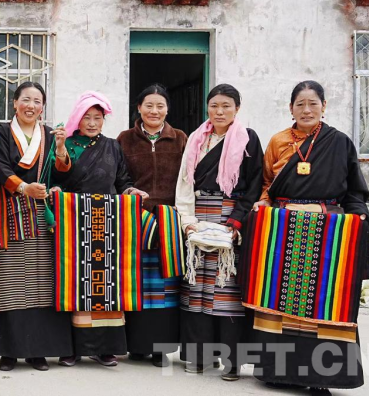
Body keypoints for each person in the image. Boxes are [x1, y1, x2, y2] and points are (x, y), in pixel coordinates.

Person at [250, 81, 369, 396]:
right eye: (300, 104)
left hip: (328, 232)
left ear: (324, 106)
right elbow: (266, 184)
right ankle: (278, 373)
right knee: (278, 302)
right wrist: (262, 203)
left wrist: (359, 218)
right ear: (290, 108)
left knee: (325, 303)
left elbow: (354, 190)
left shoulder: (339, 143)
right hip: (283, 230)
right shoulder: (278, 141)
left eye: (313, 103)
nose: (306, 110)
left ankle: (322, 376)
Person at [0, 82, 73, 371]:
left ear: (43, 106)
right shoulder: (3, 133)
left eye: (37, 101)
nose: (31, 106)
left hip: (42, 215)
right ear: (14, 103)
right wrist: (23, 188)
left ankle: (38, 351)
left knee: (42, 282)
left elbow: (62, 174)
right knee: (10, 282)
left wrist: (61, 149)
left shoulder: (49, 135)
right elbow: (0, 168)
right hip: (10, 212)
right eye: (26, 100)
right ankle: (10, 351)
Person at [174, 83, 263, 381]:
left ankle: (232, 362)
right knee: (196, 290)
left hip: (230, 219)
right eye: (214, 105)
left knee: (227, 291)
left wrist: (236, 223)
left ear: (237, 108)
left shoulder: (248, 139)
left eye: (226, 106)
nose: (220, 111)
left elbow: (254, 185)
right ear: (207, 108)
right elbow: (185, 182)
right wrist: (187, 220)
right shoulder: (197, 139)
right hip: (199, 218)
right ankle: (198, 357)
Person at [54, 91, 148, 368]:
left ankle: (105, 348)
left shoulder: (112, 146)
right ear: (77, 119)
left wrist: (131, 191)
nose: (92, 123)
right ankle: (71, 348)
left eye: (98, 118)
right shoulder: (66, 144)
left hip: (107, 222)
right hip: (73, 223)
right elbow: (56, 178)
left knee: (106, 285)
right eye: (87, 118)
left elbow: (122, 181)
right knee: (74, 283)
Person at [117, 84, 188, 367]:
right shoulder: (125, 139)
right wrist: (129, 191)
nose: (154, 111)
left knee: (166, 286)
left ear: (167, 109)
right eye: (149, 105)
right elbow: (119, 177)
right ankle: (136, 345)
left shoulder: (180, 139)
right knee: (137, 283)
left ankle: (161, 348)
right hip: (136, 219)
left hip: (169, 220)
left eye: (160, 106)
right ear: (139, 108)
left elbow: (188, 179)